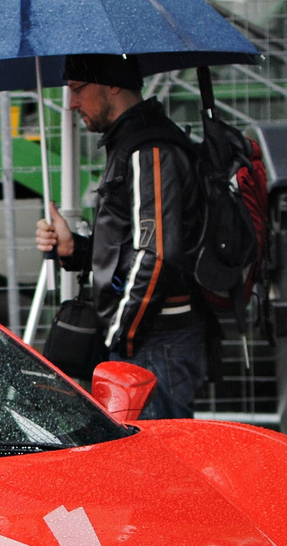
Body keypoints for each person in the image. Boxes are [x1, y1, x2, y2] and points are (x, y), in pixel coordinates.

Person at [35, 53, 206, 419]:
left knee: (154, 466)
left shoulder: (150, 148)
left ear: (111, 83)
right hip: (152, 339)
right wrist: (75, 249)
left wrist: (118, 333)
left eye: (77, 89)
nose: (71, 102)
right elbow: (132, 247)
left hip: (155, 342)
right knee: (144, 465)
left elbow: (157, 253)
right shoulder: (132, 143)